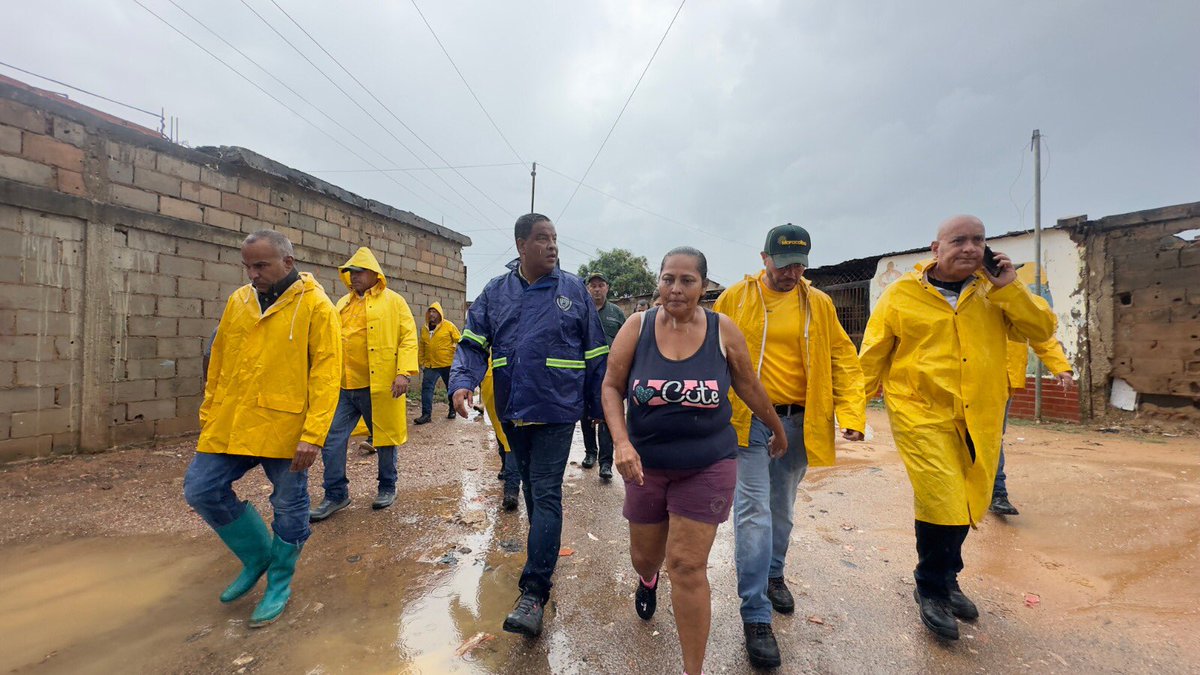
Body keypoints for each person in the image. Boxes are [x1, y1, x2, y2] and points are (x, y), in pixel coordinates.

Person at [859, 215, 1055, 640]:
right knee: (941, 498)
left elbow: (1042, 328)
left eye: (978, 240)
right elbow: (872, 353)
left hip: (979, 413)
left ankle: (948, 578)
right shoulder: (901, 295)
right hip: (920, 414)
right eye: (959, 240)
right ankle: (930, 587)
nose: (969, 248)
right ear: (936, 248)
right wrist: (853, 413)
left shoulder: (994, 292)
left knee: (967, 498)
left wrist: (1010, 288)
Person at [604, 247, 786, 675]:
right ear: (659, 281)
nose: (676, 288)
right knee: (645, 556)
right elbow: (611, 386)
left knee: (687, 565)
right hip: (645, 465)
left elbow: (748, 384)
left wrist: (776, 427)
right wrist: (621, 442)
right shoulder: (636, 327)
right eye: (668, 278)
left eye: (687, 280)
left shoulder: (723, 330)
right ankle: (647, 579)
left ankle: (693, 670)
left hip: (708, 463)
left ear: (703, 286)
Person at [713, 223, 867, 668]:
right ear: (764, 258)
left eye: (799, 264)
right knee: (753, 512)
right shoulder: (735, 299)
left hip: (799, 422)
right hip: (748, 422)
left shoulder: (818, 303)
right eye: (783, 264)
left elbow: (842, 357)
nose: (791, 272)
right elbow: (709, 352)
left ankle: (774, 573)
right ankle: (756, 614)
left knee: (781, 508)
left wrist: (852, 413)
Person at [449, 213, 609, 637]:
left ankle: (534, 592)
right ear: (521, 245)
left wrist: (599, 404)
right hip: (513, 408)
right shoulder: (496, 292)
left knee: (546, 490)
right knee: (531, 491)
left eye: (554, 238)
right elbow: (473, 343)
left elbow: (596, 351)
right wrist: (462, 382)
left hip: (557, 407)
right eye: (542, 238)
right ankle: (544, 554)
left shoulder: (573, 290)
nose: (552, 245)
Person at [183, 230, 341, 627]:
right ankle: (256, 556)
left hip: (285, 425)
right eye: (247, 267)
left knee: (288, 503)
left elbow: (327, 374)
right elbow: (218, 361)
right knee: (201, 489)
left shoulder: (316, 306)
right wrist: (209, 413)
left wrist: (313, 435)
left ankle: (279, 581)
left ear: (288, 262)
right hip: (232, 420)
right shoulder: (239, 301)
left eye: (261, 265)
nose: (253, 274)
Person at [309, 247, 419, 521]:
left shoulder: (394, 302)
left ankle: (387, 487)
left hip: (379, 386)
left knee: (385, 439)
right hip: (344, 387)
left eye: (359, 272)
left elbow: (408, 338)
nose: (354, 277)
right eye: (350, 272)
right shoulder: (341, 304)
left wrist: (403, 373)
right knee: (332, 439)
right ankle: (336, 494)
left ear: (374, 274)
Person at [991, 311, 1073, 516]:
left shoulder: (1015, 300)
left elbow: (1039, 332)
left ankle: (997, 493)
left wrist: (1060, 366)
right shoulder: (967, 299)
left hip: (1003, 381)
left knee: (992, 437)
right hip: (965, 379)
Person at [579, 271, 626, 479]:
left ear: (607, 287)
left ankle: (606, 463)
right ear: (588, 288)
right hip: (586, 372)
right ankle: (591, 453)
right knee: (586, 414)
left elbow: (626, 341)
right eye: (593, 286)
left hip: (610, 374)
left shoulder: (616, 313)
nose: (597, 289)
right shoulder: (582, 310)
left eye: (601, 285)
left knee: (608, 415)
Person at [481, 360, 521, 511]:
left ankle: (511, 489)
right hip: (494, 386)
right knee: (503, 434)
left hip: (513, 385)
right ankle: (506, 467)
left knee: (510, 439)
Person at [414, 302, 462, 425]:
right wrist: (421, 362)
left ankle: (452, 409)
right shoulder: (425, 329)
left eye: (434, 312)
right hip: (431, 365)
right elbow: (422, 346)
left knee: (450, 388)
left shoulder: (449, 326)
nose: (431, 314)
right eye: (430, 311)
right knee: (426, 389)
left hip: (447, 364)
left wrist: (460, 357)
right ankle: (426, 415)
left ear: (440, 313)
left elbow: (459, 340)